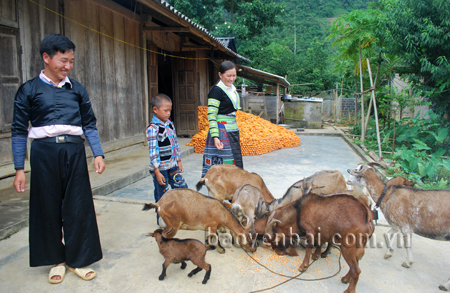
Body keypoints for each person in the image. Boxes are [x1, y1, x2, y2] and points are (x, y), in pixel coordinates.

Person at [11, 34, 105, 284]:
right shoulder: (28, 89)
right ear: (46, 58)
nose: (68, 66)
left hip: (74, 152)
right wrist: (19, 168)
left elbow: (90, 124)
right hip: (44, 154)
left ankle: (78, 259)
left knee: (78, 205)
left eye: (71, 61)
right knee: (47, 207)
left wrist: (98, 153)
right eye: (63, 60)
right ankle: (58, 260)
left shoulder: (77, 89)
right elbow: (19, 129)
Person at [146, 93, 188, 224]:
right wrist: (157, 171)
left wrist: (179, 160)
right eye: (165, 110)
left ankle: (181, 215)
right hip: (161, 169)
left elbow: (175, 143)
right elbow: (153, 151)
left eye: (170, 110)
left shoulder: (170, 124)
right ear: (155, 110)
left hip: (173, 165)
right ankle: (162, 219)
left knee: (182, 188)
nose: (168, 113)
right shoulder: (152, 129)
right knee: (162, 194)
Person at [201, 61, 243, 177]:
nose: (232, 78)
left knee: (234, 160)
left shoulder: (232, 89)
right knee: (224, 163)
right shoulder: (216, 91)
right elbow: (211, 115)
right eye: (228, 76)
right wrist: (215, 136)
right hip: (222, 131)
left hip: (232, 129)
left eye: (234, 75)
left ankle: (232, 189)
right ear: (220, 74)